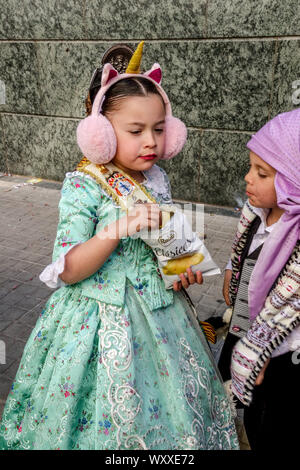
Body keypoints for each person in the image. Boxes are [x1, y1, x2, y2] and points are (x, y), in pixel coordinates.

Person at [0, 43, 238, 451]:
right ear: (101, 133)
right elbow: (69, 268)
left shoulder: (157, 179)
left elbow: (164, 249)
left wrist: (182, 272)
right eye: (135, 131)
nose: (151, 142)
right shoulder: (83, 185)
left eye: (159, 129)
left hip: (164, 317)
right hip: (96, 319)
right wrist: (119, 228)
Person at [219, 108, 300, 451]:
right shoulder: (257, 213)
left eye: (262, 173)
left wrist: (263, 348)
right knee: (248, 413)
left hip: (283, 353)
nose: (248, 178)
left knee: (273, 425)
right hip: (243, 329)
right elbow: (242, 249)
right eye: (251, 167)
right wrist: (230, 272)